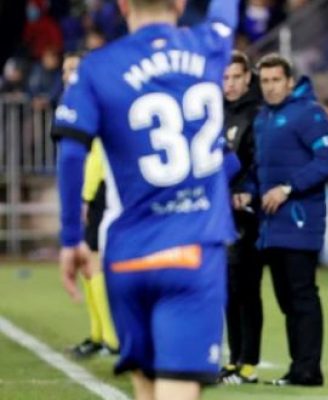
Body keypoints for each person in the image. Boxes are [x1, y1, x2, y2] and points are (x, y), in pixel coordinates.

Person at [52, 0, 240, 399]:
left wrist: (71, 237)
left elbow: (70, 154)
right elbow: (226, 10)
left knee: (146, 388)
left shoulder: (96, 67)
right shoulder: (211, 43)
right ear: (180, 3)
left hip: (129, 254)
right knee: (177, 387)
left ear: (122, 5)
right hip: (192, 252)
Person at [251, 53, 328, 386]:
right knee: (287, 299)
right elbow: (261, 168)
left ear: (290, 82)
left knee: (302, 295)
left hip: (301, 219)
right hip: (271, 224)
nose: (271, 88)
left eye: (276, 81)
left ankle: (308, 369)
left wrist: (288, 188)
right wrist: (249, 191)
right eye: (265, 81)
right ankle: (299, 366)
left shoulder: (309, 113)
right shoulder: (263, 118)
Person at [58, 51, 119, 359]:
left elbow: (96, 156)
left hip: (98, 193)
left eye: (73, 69)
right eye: (65, 70)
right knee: (88, 266)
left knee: (94, 262)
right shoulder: (75, 106)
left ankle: (110, 337)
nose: (68, 75)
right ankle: (98, 334)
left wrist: (84, 196)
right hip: (89, 192)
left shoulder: (90, 104)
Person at [218, 50, 263, 385]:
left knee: (246, 287)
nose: (230, 84)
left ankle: (248, 361)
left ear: (248, 77)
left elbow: (261, 161)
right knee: (227, 289)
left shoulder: (257, 113)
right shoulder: (216, 112)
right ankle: (234, 359)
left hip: (247, 213)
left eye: (236, 77)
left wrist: (248, 190)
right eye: (225, 77)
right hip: (219, 212)